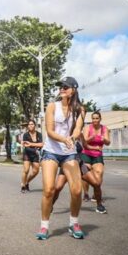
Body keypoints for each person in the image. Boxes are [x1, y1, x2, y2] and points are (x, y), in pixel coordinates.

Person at [36, 77, 85, 241]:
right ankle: (44, 226)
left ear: (74, 90)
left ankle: (74, 223)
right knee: (49, 190)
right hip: (51, 151)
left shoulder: (79, 109)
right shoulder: (52, 106)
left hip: (69, 152)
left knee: (77, 190)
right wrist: (64, 140)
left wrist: (72, 137)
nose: (62, 89)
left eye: (66, 86)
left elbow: (78, 129)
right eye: (61, 86)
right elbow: (49, 131)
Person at [20, 120, 43, 193]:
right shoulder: (25, 135)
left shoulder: (39, 134)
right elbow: (26, 146)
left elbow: (41, 144)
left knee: (36, 171)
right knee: (26, 170)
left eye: (32, 124)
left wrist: (31, 144)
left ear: (35, 125)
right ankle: (23, 185)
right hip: (27, 153)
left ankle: (27, 182)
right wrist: (34, 146)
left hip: (35, 154)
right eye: (29, 124)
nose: (30, 126)